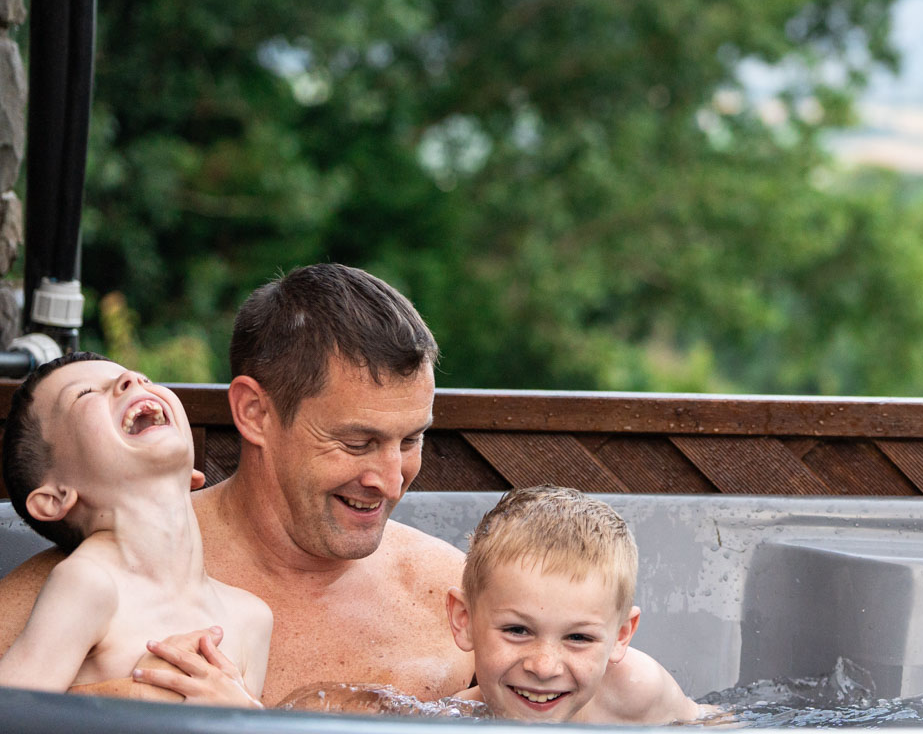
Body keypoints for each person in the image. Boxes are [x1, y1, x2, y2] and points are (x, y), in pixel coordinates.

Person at [0, 264, 472, 704]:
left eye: (412, 439)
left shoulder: (465, 597)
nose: (391, 483)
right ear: (254, 413)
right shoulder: (72, 586)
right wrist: (110, 703)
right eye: (356, 442)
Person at [0, 353, 269, 704]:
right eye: (84, 394)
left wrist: (243, 709)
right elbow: (12, 712)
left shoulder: (251, 618)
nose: (132, 379)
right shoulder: (89, 584)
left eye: (143, 377)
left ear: (193, 476)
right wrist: (132, 697)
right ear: (56, 497)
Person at [446, 486, 705, 724]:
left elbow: (720, 724)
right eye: (517, 630)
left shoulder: (637, 691)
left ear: (621, 635)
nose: (544, 667)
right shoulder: (456, 718)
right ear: (464, 620)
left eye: (578, 637)